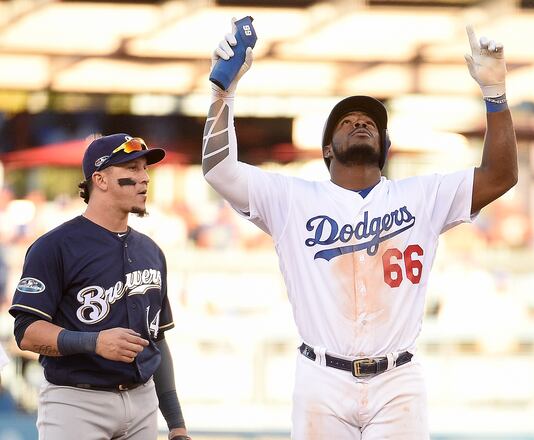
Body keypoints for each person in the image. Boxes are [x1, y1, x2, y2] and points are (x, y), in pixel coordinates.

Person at [203, 18, 517, 439]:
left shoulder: (422, 196)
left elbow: (500, 175)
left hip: (398, 379)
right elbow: (219, 170)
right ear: (327, 149)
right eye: (346, 121)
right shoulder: (292, 199)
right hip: (321, 377)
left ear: (385, 149)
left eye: (369, 122)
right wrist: (223, 93)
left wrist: (495, 95)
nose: (359, 122)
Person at [8, 134, 190, 440]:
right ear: (100, 179)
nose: (144, 178)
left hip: (142, 400)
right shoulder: (54, 246)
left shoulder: (152, 251)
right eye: (131, 169)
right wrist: (93, 342)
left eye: (145, 169)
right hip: (76, 403)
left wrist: (177, 424)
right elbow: (26, 332)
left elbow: (157, 341)